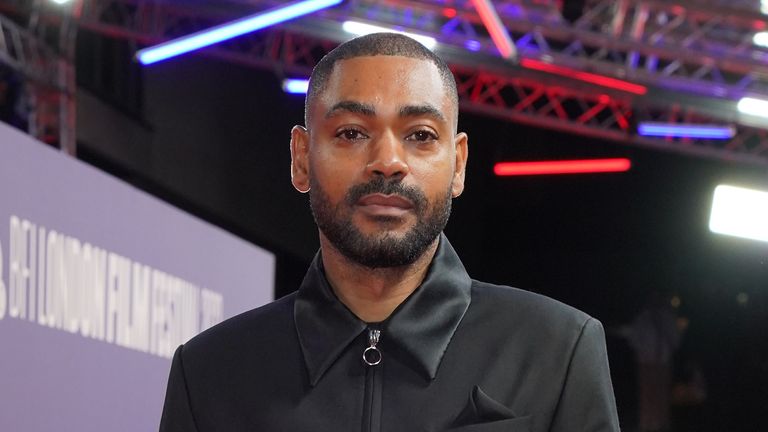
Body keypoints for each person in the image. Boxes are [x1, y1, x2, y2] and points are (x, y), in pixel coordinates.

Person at [159, 33, 620, 432]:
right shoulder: (208, 374)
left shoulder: (557, 351)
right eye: (352, 133)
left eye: (420, 135)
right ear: (301, 158)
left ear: (457, 165)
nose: (388, 160)